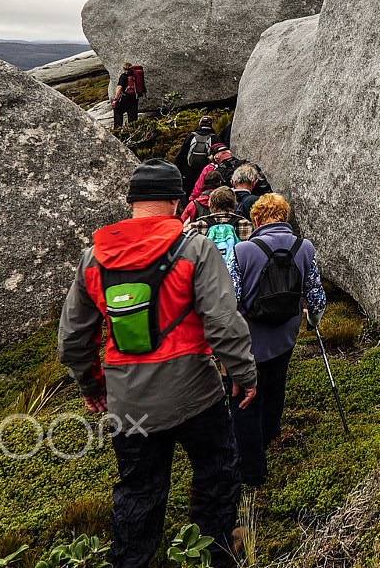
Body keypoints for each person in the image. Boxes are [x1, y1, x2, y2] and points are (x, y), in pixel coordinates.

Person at [57, 159, 258, 568]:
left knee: (139, 490)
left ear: (132, 202)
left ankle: (130, 560)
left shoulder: (93, 259)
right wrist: (243, 372)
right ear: (175, 200)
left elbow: (73, 339)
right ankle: (214, 551)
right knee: (216, 471)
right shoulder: (194, 249)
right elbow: (222, 321)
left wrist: (91, 385)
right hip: (196, 394)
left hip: (129, 401)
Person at [229, 194, 326, 488]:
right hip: (285, 337)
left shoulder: (242, 250)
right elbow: (316, 296)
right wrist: (312, 321)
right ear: (284, 218)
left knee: (245, 403)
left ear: (256, 220)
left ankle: (252, 474)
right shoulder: (304, 247)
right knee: (275, 388)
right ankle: (271, 438)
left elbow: (230, 300)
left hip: (249, 343)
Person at [174, 117, 218, 185]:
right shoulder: (214, 138)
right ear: (212, 125)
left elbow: (180, 155)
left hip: (188, 174)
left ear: (199, 123)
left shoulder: (191, 136)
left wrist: (179, 172)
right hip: (207, 175)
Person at [112, 64, 140, 129]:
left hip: (125, 97)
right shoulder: (136, 76)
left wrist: (116, 99)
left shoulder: (124, 76)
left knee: (118, 111)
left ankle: (117, 129)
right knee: (132, 115)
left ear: (124, 69)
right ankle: (133, 130)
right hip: (134, 97)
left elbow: (119, 88)